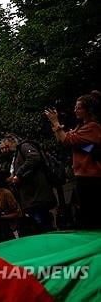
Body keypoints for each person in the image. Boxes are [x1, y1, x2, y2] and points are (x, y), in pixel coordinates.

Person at [45, 90, 101, 229]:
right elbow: (63, 140)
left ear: (88, 110)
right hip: (82, 175)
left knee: (92, 214)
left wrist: (55, 122)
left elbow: (68, 140)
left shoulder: (93, 127)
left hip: (92, 176)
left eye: (79, 107)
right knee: (84, 212)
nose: (75, 110)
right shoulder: (80, 127)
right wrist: (56, 126)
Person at [0, 134, 57, 234]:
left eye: (6, 147)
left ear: (12, 142)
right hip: (31, 198)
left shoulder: (24, 146)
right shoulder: (15, 156)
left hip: (37, 195)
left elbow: (34, 158)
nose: (5, 150)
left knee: (43, 224)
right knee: (39, 224)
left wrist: (18, 174)